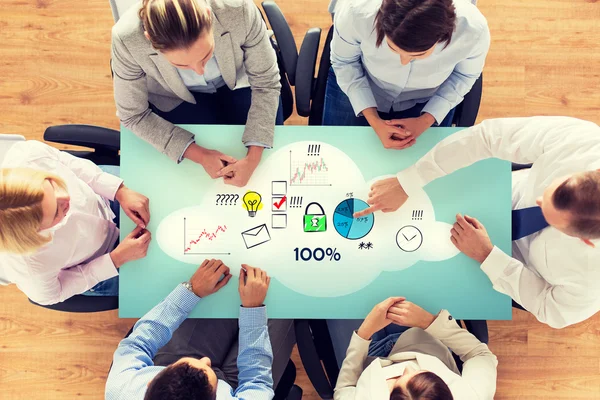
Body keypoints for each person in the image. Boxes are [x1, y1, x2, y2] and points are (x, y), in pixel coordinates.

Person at [355, 116, 600, 329]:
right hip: (495, 190)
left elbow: (550, 309)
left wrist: (487, 256)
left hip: (503, 266)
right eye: (549, 191)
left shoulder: (593, 280)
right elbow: (487, 137)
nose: (538, 200)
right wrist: (407, 181)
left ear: (586, 241)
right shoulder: (585, 142)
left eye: (549, 216)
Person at [111, 0, 283, 187]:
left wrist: (253, 158)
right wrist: (200, 155)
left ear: (209, 16)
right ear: (149, 39)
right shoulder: (126, 39)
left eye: (207, 55)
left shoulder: (238, 8)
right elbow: (133, 115)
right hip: (174, 97)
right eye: (181, 65)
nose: (198, 71)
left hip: (239, 80)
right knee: (192, 179)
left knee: (270, 161)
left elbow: (266, 83)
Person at [105, 260, 295, 400]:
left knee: (221, 289)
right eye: (207, 365)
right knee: (284, 300)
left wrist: (191, 291)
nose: (206, 360)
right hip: (239, 389)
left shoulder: (122, 388)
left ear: (150, 383)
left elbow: (138, 342)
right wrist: (253, 310)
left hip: (171, 362)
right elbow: (257, 383)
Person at [324, 0, 490, 151]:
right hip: (362, 81)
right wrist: (374, 120)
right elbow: (345, 63)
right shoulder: (355, 10)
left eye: (419, 54)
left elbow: (464, 76)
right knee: (338, 153)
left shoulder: (473, 29)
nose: (404, 61)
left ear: (445, 34)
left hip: (429, 97)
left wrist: (425, 121)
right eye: (393, 49)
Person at [0, 140, 151, 305]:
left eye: (52, 184)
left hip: (101, 193)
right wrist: (116, 259)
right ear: (36, 232)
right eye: (57, 211)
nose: (67, 197)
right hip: (102, 259)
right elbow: (52, 295)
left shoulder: (28, 155)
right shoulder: (28, 266)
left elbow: (68, 163)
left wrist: (119, 191)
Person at [332, 296, 497, 399]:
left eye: (396, 380)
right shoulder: (471, 396)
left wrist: (364, 333)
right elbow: (479, 353)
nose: (406, 367)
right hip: (422, 336)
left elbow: (344, 389)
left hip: (367, 356)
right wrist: (428, 321)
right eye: (426, 374)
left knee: (339, 295)